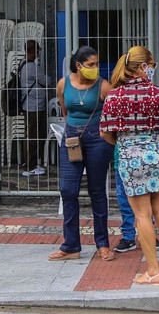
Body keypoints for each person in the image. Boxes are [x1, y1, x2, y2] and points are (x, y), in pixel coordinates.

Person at [100, 45, 159, 286]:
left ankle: (152, 270)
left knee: (141, 214)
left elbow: (105, 133)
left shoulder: (114, 96)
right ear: (143, 67)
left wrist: (123, 142)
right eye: (150, 65)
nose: (152, 69)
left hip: (131, 157)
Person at [49, 46, 115, 261]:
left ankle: (103, 244)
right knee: (68, 191)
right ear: (79, 65)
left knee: (97, 192)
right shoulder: (63, 83)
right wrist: (75, 132)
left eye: (96, 64)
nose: (95, 68)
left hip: (98, 140)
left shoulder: (104, 86)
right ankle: (70, 245)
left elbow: (112, 116)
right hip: (71, 140)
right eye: (90, 65)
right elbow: (65, 111)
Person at [20, 39, 50, 177]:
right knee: (34, 135)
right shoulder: (31, 66)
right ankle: (31, 166)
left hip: (29, 104)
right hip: (34, 106)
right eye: (37, 50)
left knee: (31, 134)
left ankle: (30, 163)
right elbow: (46, 81)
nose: (38, 53)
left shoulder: (22, 63)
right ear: (33, 51)